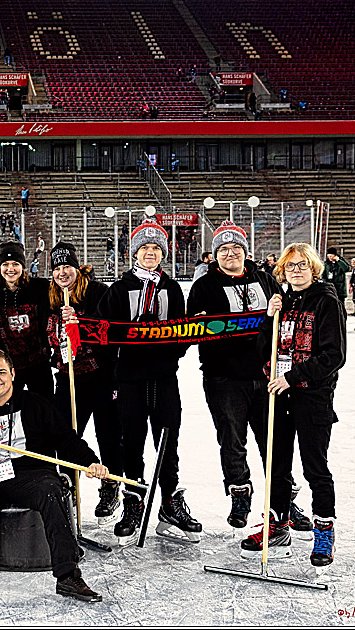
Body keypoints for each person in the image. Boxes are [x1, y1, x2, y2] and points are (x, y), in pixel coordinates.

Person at [0, 349, 109, 603]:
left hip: (31, 476)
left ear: (13, 374)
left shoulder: (36, 404)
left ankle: (68, 575)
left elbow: (66, 440)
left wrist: (91, 462)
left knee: (52, 490)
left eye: (1, 372)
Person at [97, 219, 200, 546]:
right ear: (135, 253)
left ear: (163, 253)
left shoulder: (171, 289)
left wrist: (172, 346)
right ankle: (134, 501)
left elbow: (182, 333)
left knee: (168, 442)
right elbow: (102, 334)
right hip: (129, 380)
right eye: (145, 248)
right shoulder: (119, 289)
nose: (151, 253)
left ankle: (170, 503)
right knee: (133, 444)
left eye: (156, 248)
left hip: (164, 378)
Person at [186, 222, 291, 532]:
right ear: (215, 254)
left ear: (246, 252)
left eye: (235, 249)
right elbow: (194, 330)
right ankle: (240, 492)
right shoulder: (204, 287)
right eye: (223, 249)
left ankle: (282, 499)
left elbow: (284, 323)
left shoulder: (265, 280)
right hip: (224, 377)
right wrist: (200, 324)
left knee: (273, 440)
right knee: (232, 439)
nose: (230, 254)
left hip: (265, 374)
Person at [255, 243, 346, 566]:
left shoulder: (326, 301)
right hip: (279, 395)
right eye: (290, 266)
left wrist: (292, 377)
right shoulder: (283, 301)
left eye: (302, 265)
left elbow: (334, 356)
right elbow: (265, 348)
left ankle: (324, 530)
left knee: (314, 467)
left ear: (314, 268)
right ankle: (277, 524)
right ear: (282, 270)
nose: (296, 270)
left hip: (312, 397)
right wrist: (268, 318)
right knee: (276, 465)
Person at [46, 242, 123, 525]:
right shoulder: (52, 297)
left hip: (100, 378)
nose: (62, 272)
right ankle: (69, 483)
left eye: (68, 266)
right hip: (67, 379)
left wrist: (81, 321)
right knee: (65, 434)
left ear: (78, 267)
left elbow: (109, 331)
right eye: (57, 268)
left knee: (109, 436)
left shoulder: (98, 292)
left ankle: (111, 485)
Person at [0, 241, 53, 400]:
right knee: (10, 408)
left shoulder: (40, 287)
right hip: (8, 365)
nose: (10, 269)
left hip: (38, 362)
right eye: (5, 264)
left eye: (15, 263)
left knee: (44, 407)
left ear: (23, 266)